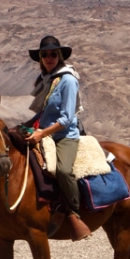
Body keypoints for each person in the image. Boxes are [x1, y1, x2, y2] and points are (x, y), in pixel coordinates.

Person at [26, 35, 90, 241]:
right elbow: (44, 112)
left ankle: (73, 213)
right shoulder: (47, 80)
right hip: (44, 132)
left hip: (64, 136)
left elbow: (65, 118)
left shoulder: (68, 80)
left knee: (62, 170)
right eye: (45, 54)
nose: (49, 57)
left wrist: (41, 133)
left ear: (60, 56)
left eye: (53, 54)